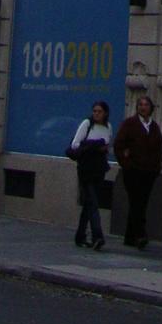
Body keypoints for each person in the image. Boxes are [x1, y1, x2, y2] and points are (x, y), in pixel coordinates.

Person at [113, 93, 162, 250]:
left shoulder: (154, 127)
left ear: (151, 108)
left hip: (149, 172)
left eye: (146, 105)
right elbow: (119, 145)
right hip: (133, 171)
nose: (143, 107)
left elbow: (159, 148)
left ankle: (130, 236)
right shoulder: (130, 124)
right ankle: (140, 234)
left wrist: (156, 167)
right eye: (140, 105)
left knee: (141, 202)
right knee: (136, 201)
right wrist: (126, 164)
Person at [70, 99, 114, 249]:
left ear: (105, 113)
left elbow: (109, 145)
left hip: (99, 168)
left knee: (89, 203)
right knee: (93, 203)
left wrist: (105, 149)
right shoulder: (87, 124)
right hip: (86, 167)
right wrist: (95, 146)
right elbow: (75, 144)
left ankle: (80, 235)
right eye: (94, 111)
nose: (96, 114)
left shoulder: (108, 126)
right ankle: (97, 236)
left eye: (99, 111)